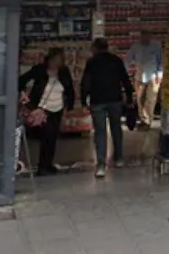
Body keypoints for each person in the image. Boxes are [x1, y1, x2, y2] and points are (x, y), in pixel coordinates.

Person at [80, 37, 136, 178]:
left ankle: (101, 165)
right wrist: (129, 96)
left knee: (100, 132)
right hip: (115, 99)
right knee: (116, 128)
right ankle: (119, 158)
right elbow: (125, 79)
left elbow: (86, 82)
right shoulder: (116, 60)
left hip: (97, 100)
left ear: (95, 48)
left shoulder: (91, 62)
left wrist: (83, 100)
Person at [18, 48, 74, 176]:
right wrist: (24, 96)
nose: (56, 63)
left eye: (59, 60)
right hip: (42, 109)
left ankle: (48, 164)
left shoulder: (64, 72)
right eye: (54, 60)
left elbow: (69, 90)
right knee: (47, 136)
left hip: (57, 108)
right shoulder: (39, 70)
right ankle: (42, 165)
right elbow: (21, 80)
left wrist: (68, 107)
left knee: (53, 137)